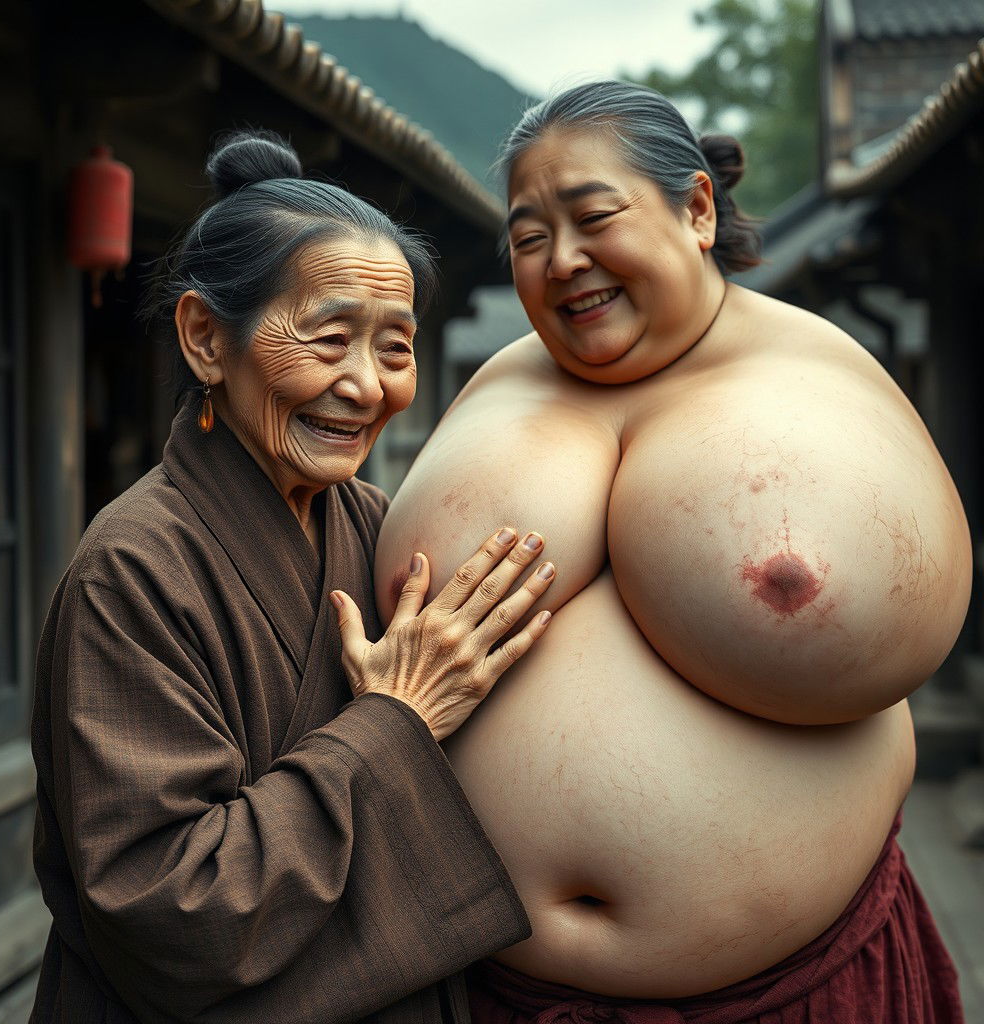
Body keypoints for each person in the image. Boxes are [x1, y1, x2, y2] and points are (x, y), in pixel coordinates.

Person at [374, 82, 971, 1022]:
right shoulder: (491, 386)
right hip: (480, 987)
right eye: (528, 238)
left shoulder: (819, 378)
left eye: (592, 217)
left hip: (790, 989)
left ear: (695, 209)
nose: (563, 261)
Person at [30, 130, 555, 1023]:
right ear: (204, 339)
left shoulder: (379, 523)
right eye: (328, 338)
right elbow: (172, 906)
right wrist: (397, 721)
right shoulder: (134, 570)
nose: (366, 385)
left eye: (395, 348)